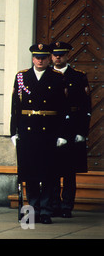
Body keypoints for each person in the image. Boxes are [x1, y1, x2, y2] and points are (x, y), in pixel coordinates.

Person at [10, 43, 68, 224]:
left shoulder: (57, 77)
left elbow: (63, 108)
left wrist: (62, 134)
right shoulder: (21, 77)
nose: (40, 60)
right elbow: (15, 107)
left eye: (43, 57)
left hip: (49, 131)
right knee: (30, 174)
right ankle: (32, 209)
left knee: (49, 174)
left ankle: (46, 211)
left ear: (49, 58)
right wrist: (13, 132)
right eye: (37, 57)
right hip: (28, 131)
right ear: (33, 58)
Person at [50, 41, 91, 218]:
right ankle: (54, 205)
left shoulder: (78, 76)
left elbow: (86, 107)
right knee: (51, 170)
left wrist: (83, 132)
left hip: (73, 127)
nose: (58, 57)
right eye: (55, 54)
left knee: (69, 171)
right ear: (51, 57)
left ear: (67, 56)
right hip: (52, 127)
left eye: (61, 54)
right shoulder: (47, 76)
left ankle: (67, 206)